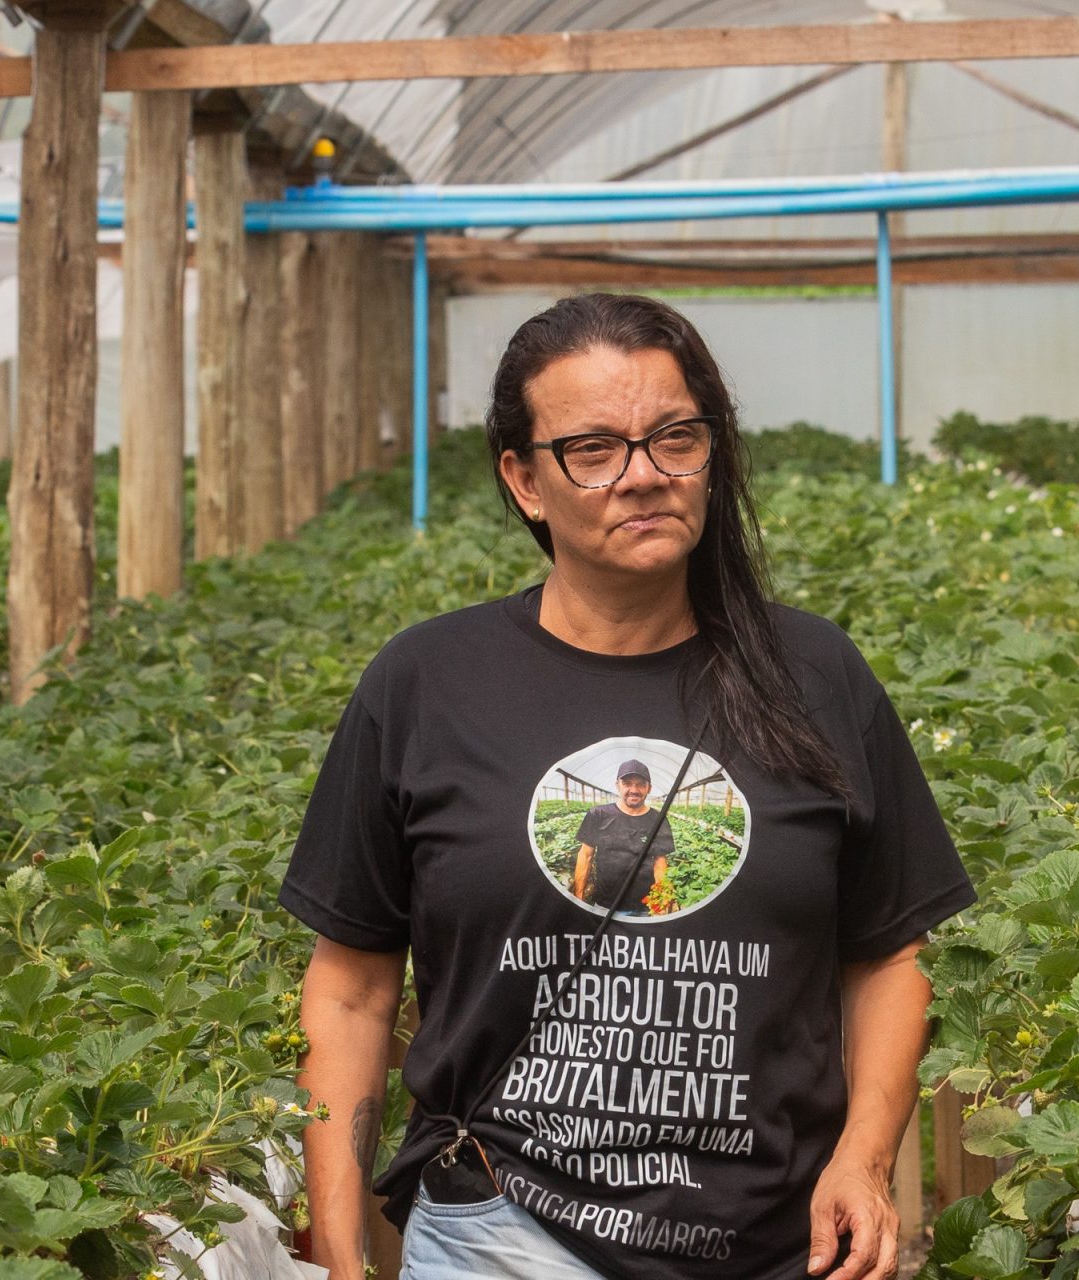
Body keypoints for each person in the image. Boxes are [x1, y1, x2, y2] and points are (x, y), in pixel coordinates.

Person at [278, 292, 976, 1280]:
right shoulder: (428, 683)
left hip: (777, 1243)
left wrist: (861, 1160)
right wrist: (343, 1255)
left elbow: (889, 953)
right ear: (525, 480)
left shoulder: (815, 675)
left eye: (675, 438)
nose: (643, 474)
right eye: (594, 449)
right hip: (505, 1232)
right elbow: (350, 992)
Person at [568, 758, 678, 910]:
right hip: (604, 905)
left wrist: (660, 901)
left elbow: (660, 862)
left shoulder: (658, 820)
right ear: (617, 785)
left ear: (649, 788)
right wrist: (579, 898)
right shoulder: (598, 815)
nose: (634, 790)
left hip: (644, 906)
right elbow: (585, 856)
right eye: (627, 783)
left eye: (641, 784)